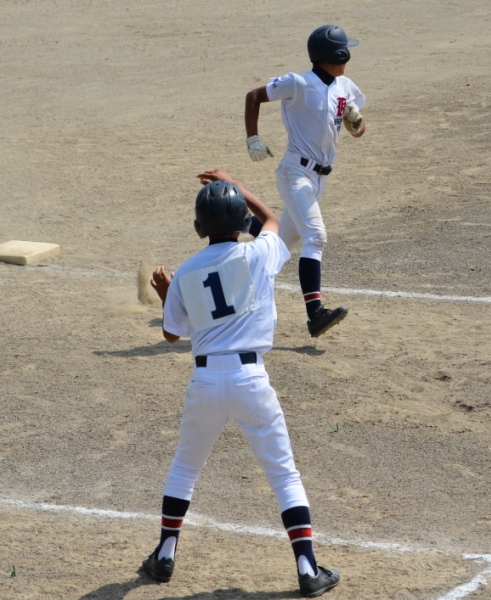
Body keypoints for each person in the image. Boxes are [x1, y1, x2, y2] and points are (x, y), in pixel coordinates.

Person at [140, 169, 340, 597]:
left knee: (185, 469)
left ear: (199, 227)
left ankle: (165, 555)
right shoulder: (258, 253)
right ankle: (307, 569)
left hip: (206, 381)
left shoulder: (186, 271)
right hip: (251, 381)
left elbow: (173, 334)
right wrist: (237, 185)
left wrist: (166, 294)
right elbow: (271, 221)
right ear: (239, 222)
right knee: (283, 474)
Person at [245, 24, 366, 338]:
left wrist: (355, 123)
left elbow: (357, 128)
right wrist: (253, 138)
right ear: (337, 55)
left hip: (318, 179)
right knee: (315, 236)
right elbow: (253, 96)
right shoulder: (297, 83)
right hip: (294, 174)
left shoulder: (345, 86)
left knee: (278, 246)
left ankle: (238, 222)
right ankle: (315, 314)